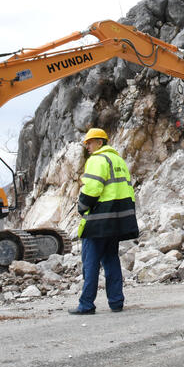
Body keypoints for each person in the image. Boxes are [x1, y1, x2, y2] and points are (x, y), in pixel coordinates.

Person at [69, 128, 138, 315]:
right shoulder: (119, 161)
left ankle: (86, 305)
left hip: (98, 221)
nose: (87, 147)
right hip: (115, 222)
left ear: (100, 142)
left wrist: (82, 206)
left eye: (89, 143)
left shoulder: (97, 160)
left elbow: (92, 188)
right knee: (111, 261)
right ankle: (116, 302)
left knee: (90, 264)